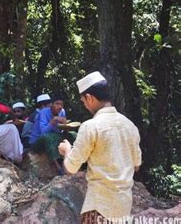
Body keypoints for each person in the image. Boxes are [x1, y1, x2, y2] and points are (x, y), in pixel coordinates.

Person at [58, 71, 142, 223]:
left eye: (83, 101)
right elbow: (136, 166)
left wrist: (66, 150)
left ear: (89, 98)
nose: (85, 105)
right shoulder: (130, 126)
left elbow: (70, 168)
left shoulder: (90, 127)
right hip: (123, 208)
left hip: (99, 207)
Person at [29, 95, 75, 174]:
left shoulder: (62, 112)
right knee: (48, 137)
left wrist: (66, 128)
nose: (60, 106)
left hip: (54, 136)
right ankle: (58, 168)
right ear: (51, 104)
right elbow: (43, 132)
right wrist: (53, 121)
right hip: (37, 141)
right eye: (57, 104)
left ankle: (76, 163)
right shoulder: (43, 112)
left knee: (73, 134)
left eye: (61, 104)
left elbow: (61, 129)